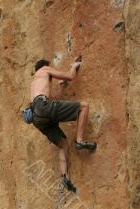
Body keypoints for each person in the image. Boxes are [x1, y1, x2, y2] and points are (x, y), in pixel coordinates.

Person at [30, 58, 97, 192]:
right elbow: (70, 76)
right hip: (44, 108)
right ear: (46, 65)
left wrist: (61, 85)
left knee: (63, 144)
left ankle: (65, 176)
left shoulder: (34, 83)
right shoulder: (44, 69)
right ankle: (80, 140)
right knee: (83, 107)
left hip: (37, 118)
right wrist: (74, 66)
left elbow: (52, 102)